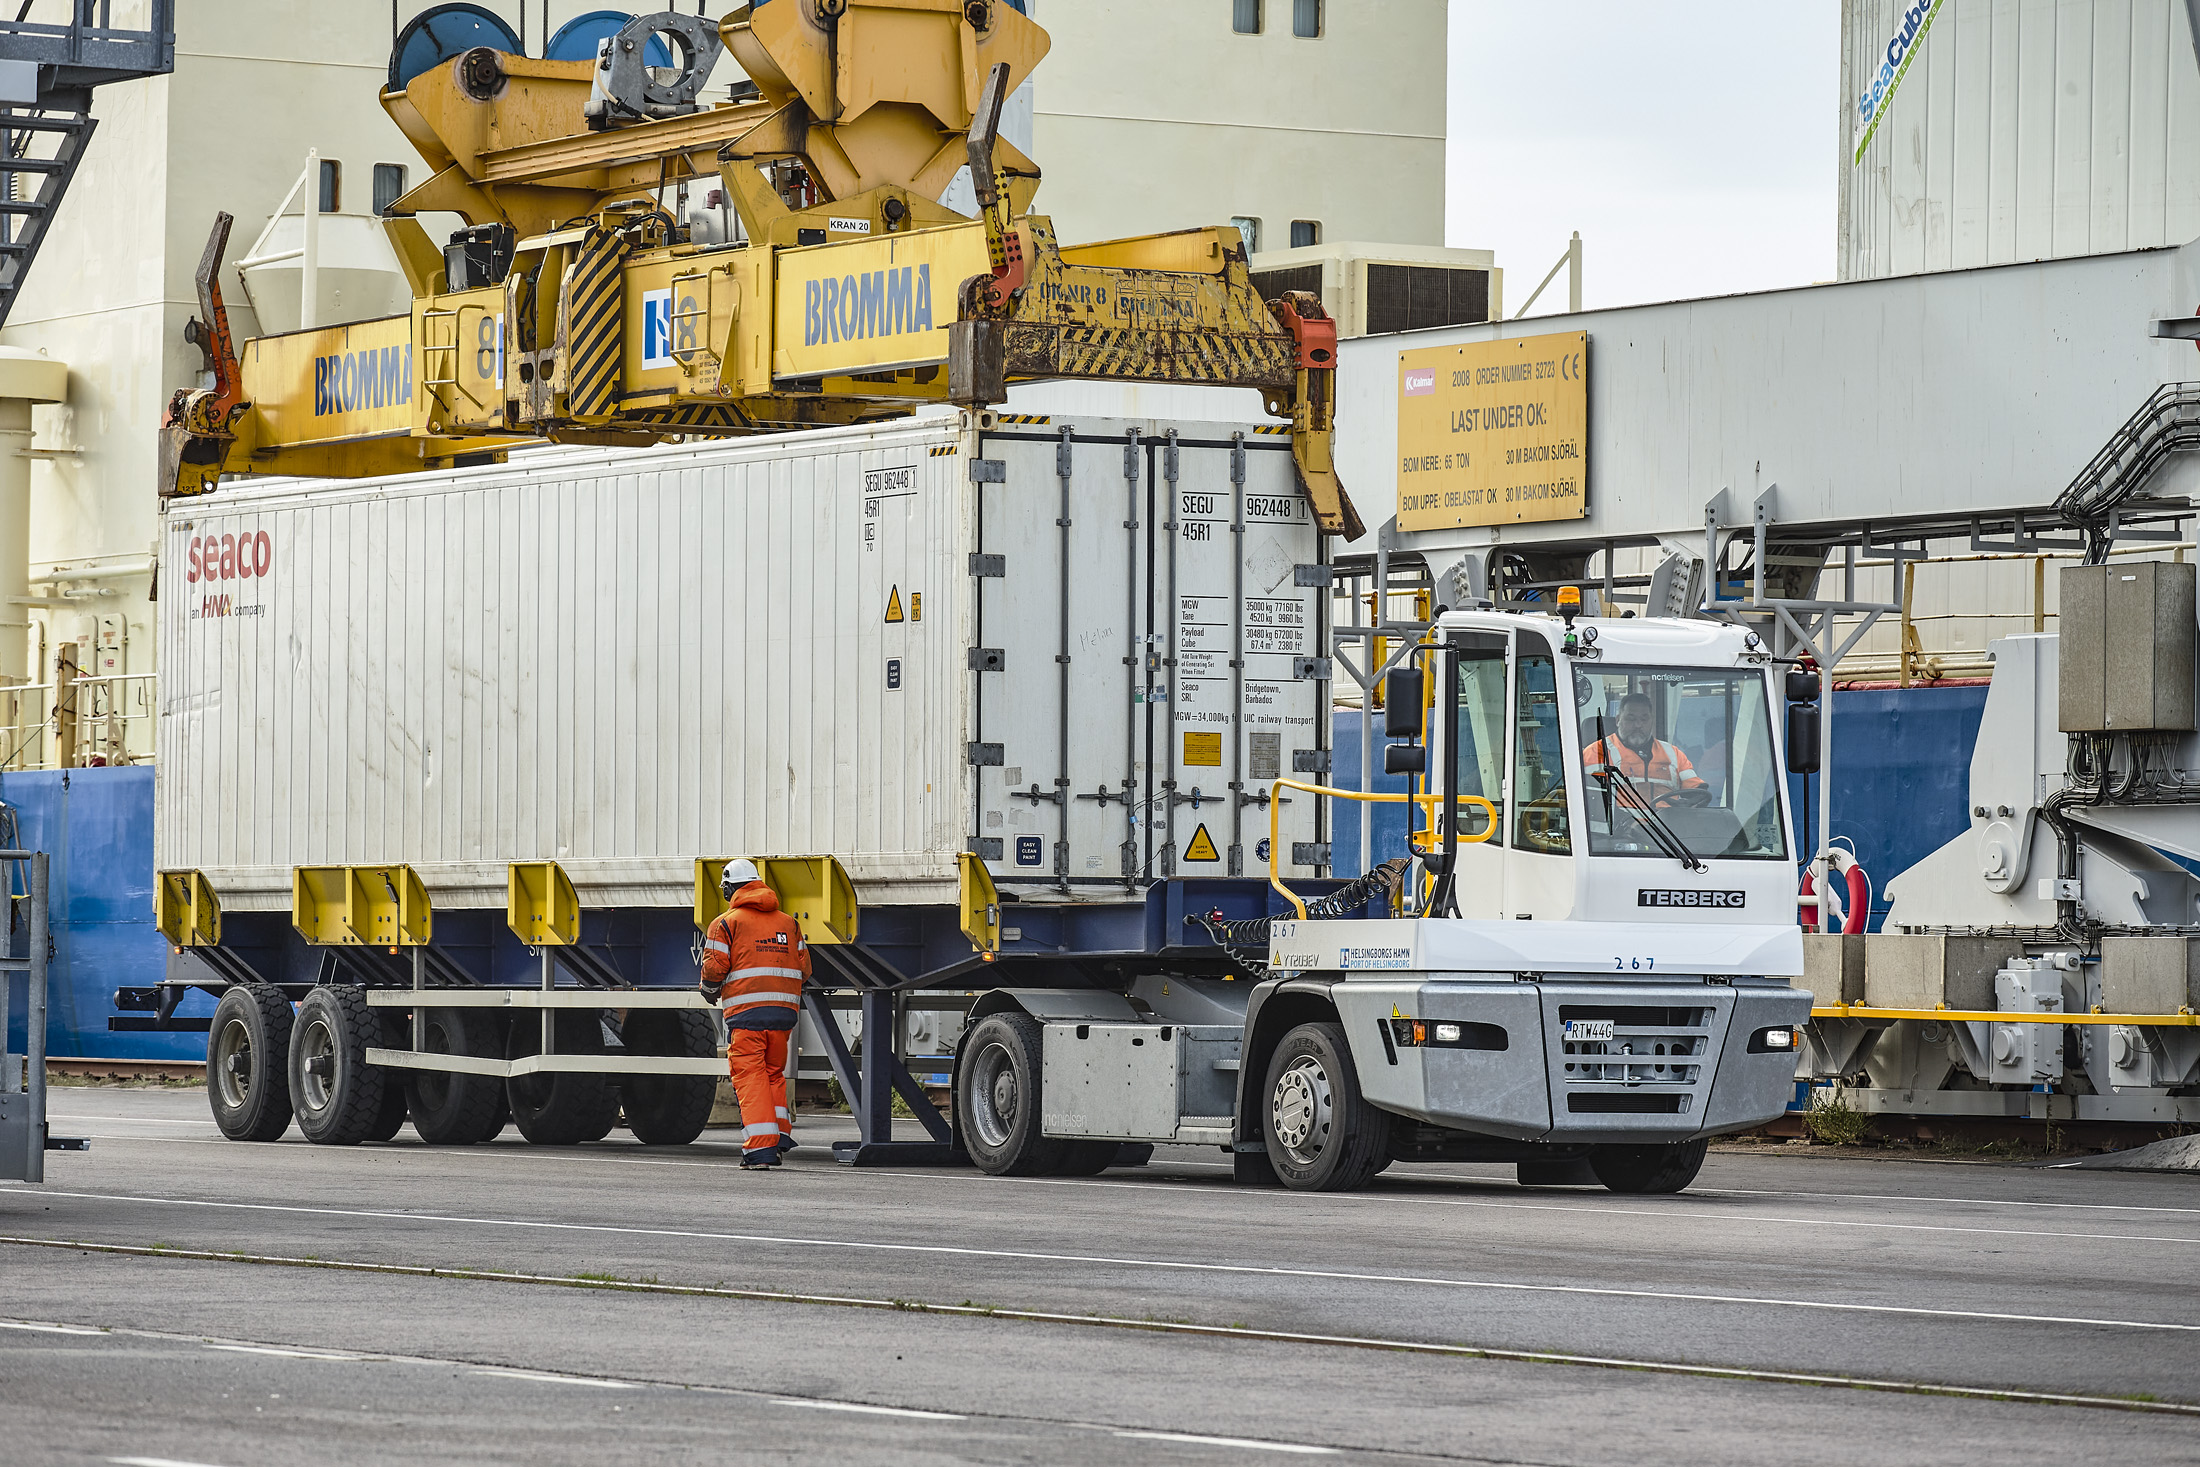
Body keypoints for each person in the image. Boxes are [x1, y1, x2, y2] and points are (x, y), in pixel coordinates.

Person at [697, 859, 809, 1169]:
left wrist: (709, 990)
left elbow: (715, 967)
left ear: (730, 888)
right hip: (783, 1016)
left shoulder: (726, 923)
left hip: (747, 1015)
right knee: (773, 1075)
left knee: (750, 1078)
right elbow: (805, 967)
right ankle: (779, 1139)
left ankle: (760, 1150)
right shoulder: (789, 923)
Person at [1582, 692, 1707, 802]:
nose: (1638, 725)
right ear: (1618, 720)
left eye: (1644, 719)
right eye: (1631, 719)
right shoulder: (1596, 753)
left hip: (1667, 826)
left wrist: (1689, 803)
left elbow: (1696, 790)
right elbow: (1590, 801)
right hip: (1619, 827)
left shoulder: (1673, 754)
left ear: (1652, 720)